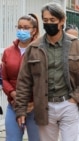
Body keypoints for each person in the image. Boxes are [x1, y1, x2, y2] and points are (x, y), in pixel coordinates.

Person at [15, 2, 79, 141]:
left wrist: (75, 98)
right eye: (45, 20)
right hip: (44, 105)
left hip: (68, 104)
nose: (49, 24)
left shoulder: (77, 45)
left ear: (62, 20)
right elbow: (24, 81)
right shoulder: (33, 48)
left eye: (53, 20)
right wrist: (21, 109)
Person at [1, 13, 40, 141]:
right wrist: (14, 95)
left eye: (26, 27)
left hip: (34, 107)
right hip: (14, 105)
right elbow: (4, 78)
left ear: (34, 30)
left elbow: (44, 80)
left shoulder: (41, 51)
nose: (22, 30)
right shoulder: (8, 52)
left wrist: (33, 102)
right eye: (19, 27)